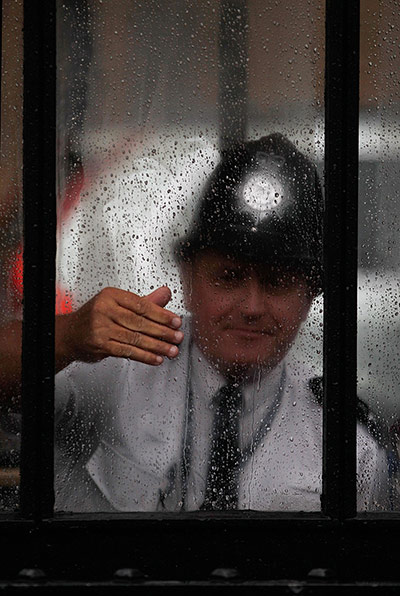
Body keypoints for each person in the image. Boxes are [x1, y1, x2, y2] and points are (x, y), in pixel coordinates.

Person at [52, 132, 390, 512]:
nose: (251, 306)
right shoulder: (121, 373)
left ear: (311, 294)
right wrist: (65, 337)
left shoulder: (347, 445)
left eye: (277, 283)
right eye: (228, 277)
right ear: (188, 278)